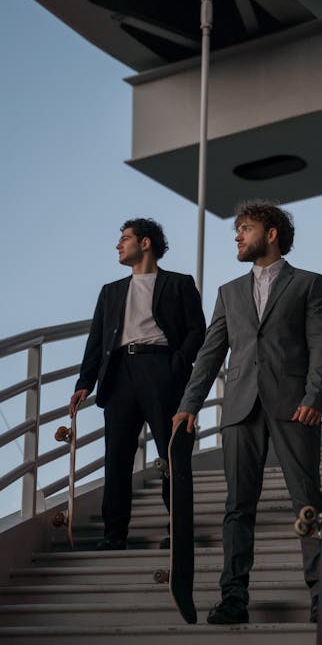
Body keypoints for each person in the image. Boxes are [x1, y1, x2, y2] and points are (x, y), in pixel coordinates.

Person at [173, 200, 322, 625]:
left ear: (271, 233)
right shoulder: (229, 292)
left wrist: (316, 398)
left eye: (245, 228)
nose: (237, 236)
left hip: (294, 407)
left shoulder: (309, 284)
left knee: (308, 502)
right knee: (237, 506)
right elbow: (211, 353)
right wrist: (189, 404)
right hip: (241, 407)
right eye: (238, 230)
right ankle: (233, 597)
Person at [69, 218, 205, 550]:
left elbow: (197, 330)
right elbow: (97, 340)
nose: (118, 245)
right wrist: (85, 381)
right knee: (116, 457)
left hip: (161, 369)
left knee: (172, 453)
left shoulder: (179, 283)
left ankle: (179, 531)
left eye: (125, 238)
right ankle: (114, 535)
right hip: (119, 374)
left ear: (145, 243)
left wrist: (176, 363)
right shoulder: (110, 291)